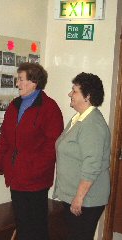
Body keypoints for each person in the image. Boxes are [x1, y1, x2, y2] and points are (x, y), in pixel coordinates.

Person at [0, 62, 64, 240]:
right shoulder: (14, 105)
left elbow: (53, 146)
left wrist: (34, 169)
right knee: (22, 225)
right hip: (16, 177)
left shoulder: (49, 108)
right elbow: (5, 139)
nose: (17, 84)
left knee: (36, 228)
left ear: (34, 82)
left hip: (36, 180)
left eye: (21, 79)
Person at [53, 72, 110, 240]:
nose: (70, 94)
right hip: (76, 197)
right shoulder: (79, 119)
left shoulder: (92, 124)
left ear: (88, 96)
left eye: (74, 91)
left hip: (87, 200)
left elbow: (92, 164)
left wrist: (79, 198)